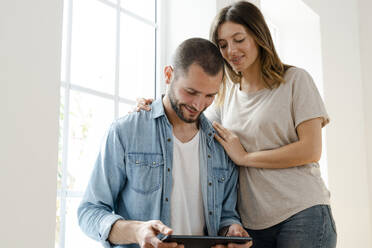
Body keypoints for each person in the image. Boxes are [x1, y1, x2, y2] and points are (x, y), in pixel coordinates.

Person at [136, 2, 337, 248]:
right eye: (223, 45)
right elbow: (192, 121)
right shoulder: (224, 95)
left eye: (239, 39)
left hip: (302, 212)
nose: (231, 50)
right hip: (251, 223)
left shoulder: (295, 80)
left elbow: (311, 150)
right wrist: (157, 104)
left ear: (258, 35)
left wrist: (246, 158)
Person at [77, 38, 252, 248]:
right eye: (191, 92)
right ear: (168, 75)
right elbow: (89, 212)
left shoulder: (220, 146)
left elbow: (226, 215)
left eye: (209, 96)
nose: (198, 105)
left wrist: (232, 230)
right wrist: (137, 231)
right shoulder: (126, 132)